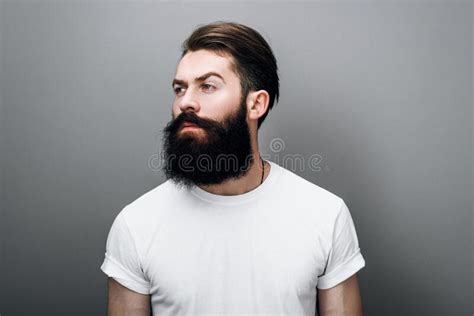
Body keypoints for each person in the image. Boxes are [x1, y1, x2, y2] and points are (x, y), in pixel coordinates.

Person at [100, 21, 366, 315]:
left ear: (256, 105)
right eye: (180, 89)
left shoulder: (325, 215)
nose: (186, 102)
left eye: (208, 86)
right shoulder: (136, 225)